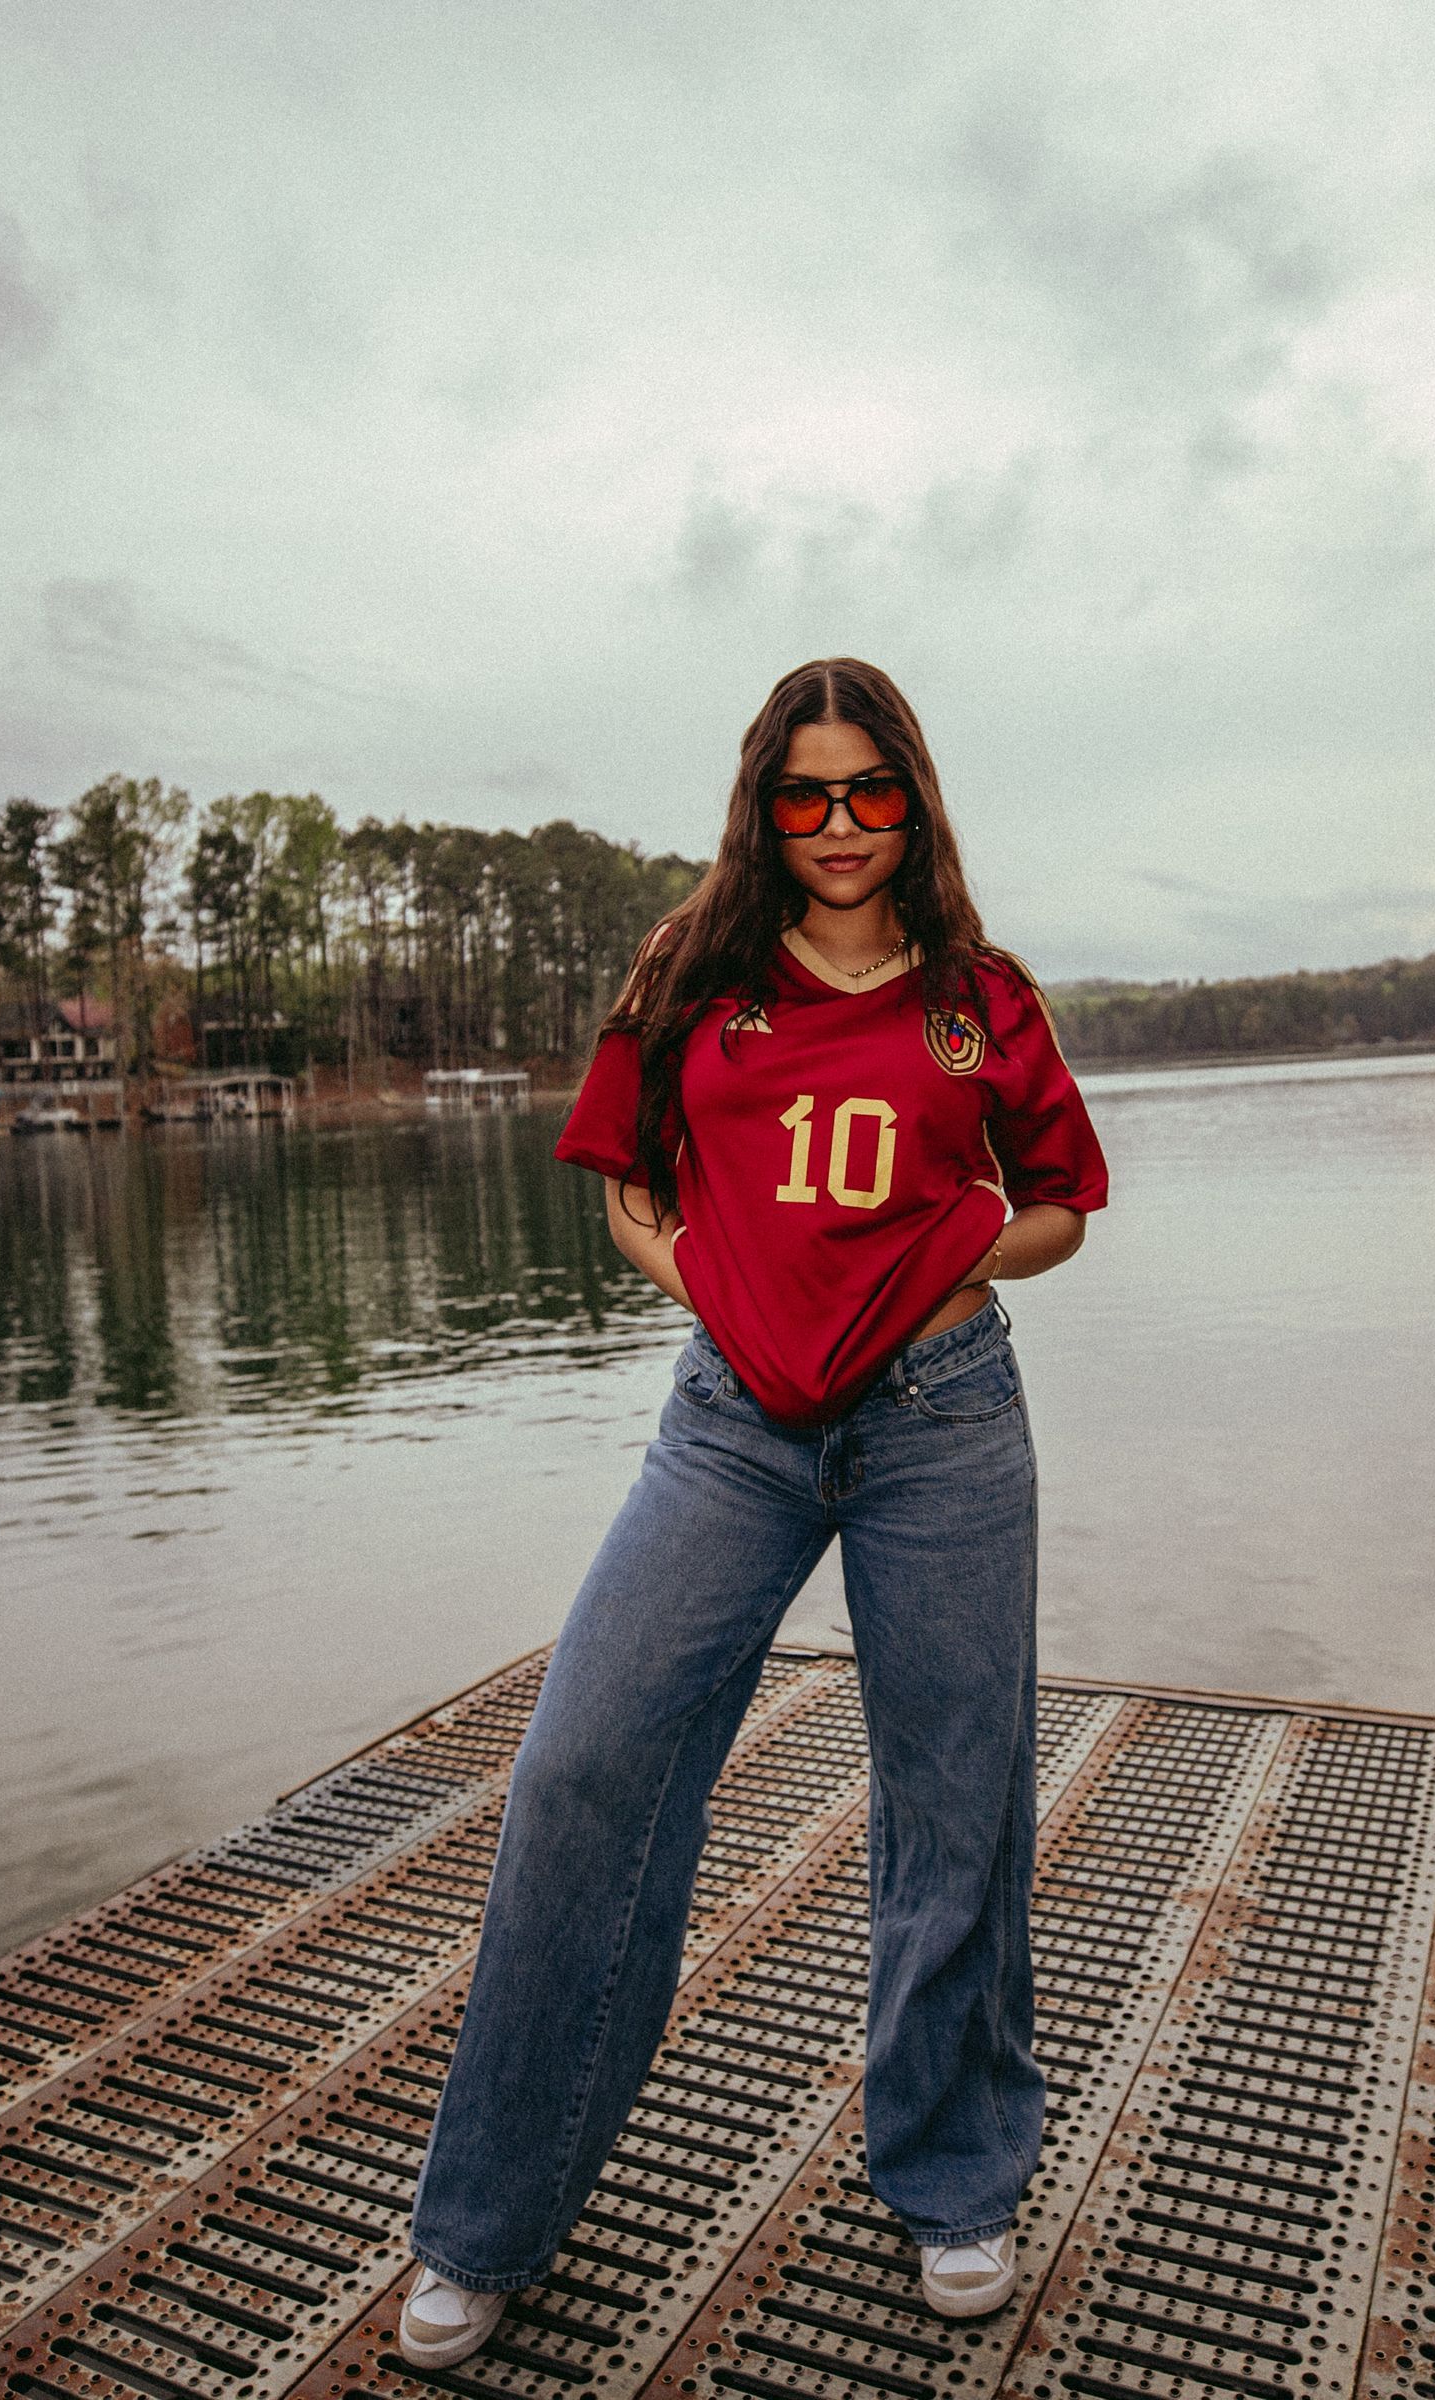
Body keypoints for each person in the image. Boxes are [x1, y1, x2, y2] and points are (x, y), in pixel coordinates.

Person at [398, 657, 1109, 2364]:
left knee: (959, 1800)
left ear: (913, 799)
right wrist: (712, 1287)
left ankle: (951, 2179)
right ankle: (488, 2221)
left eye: (873, 791)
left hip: (943, 1420)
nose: (843, 823)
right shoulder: (693, 971)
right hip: (732, 1430)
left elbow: (1064, 1204)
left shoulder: (976, 994)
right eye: (806, 794)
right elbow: (635, 1194)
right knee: (584, 1766)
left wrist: (942, 1257)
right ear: (762, 806)